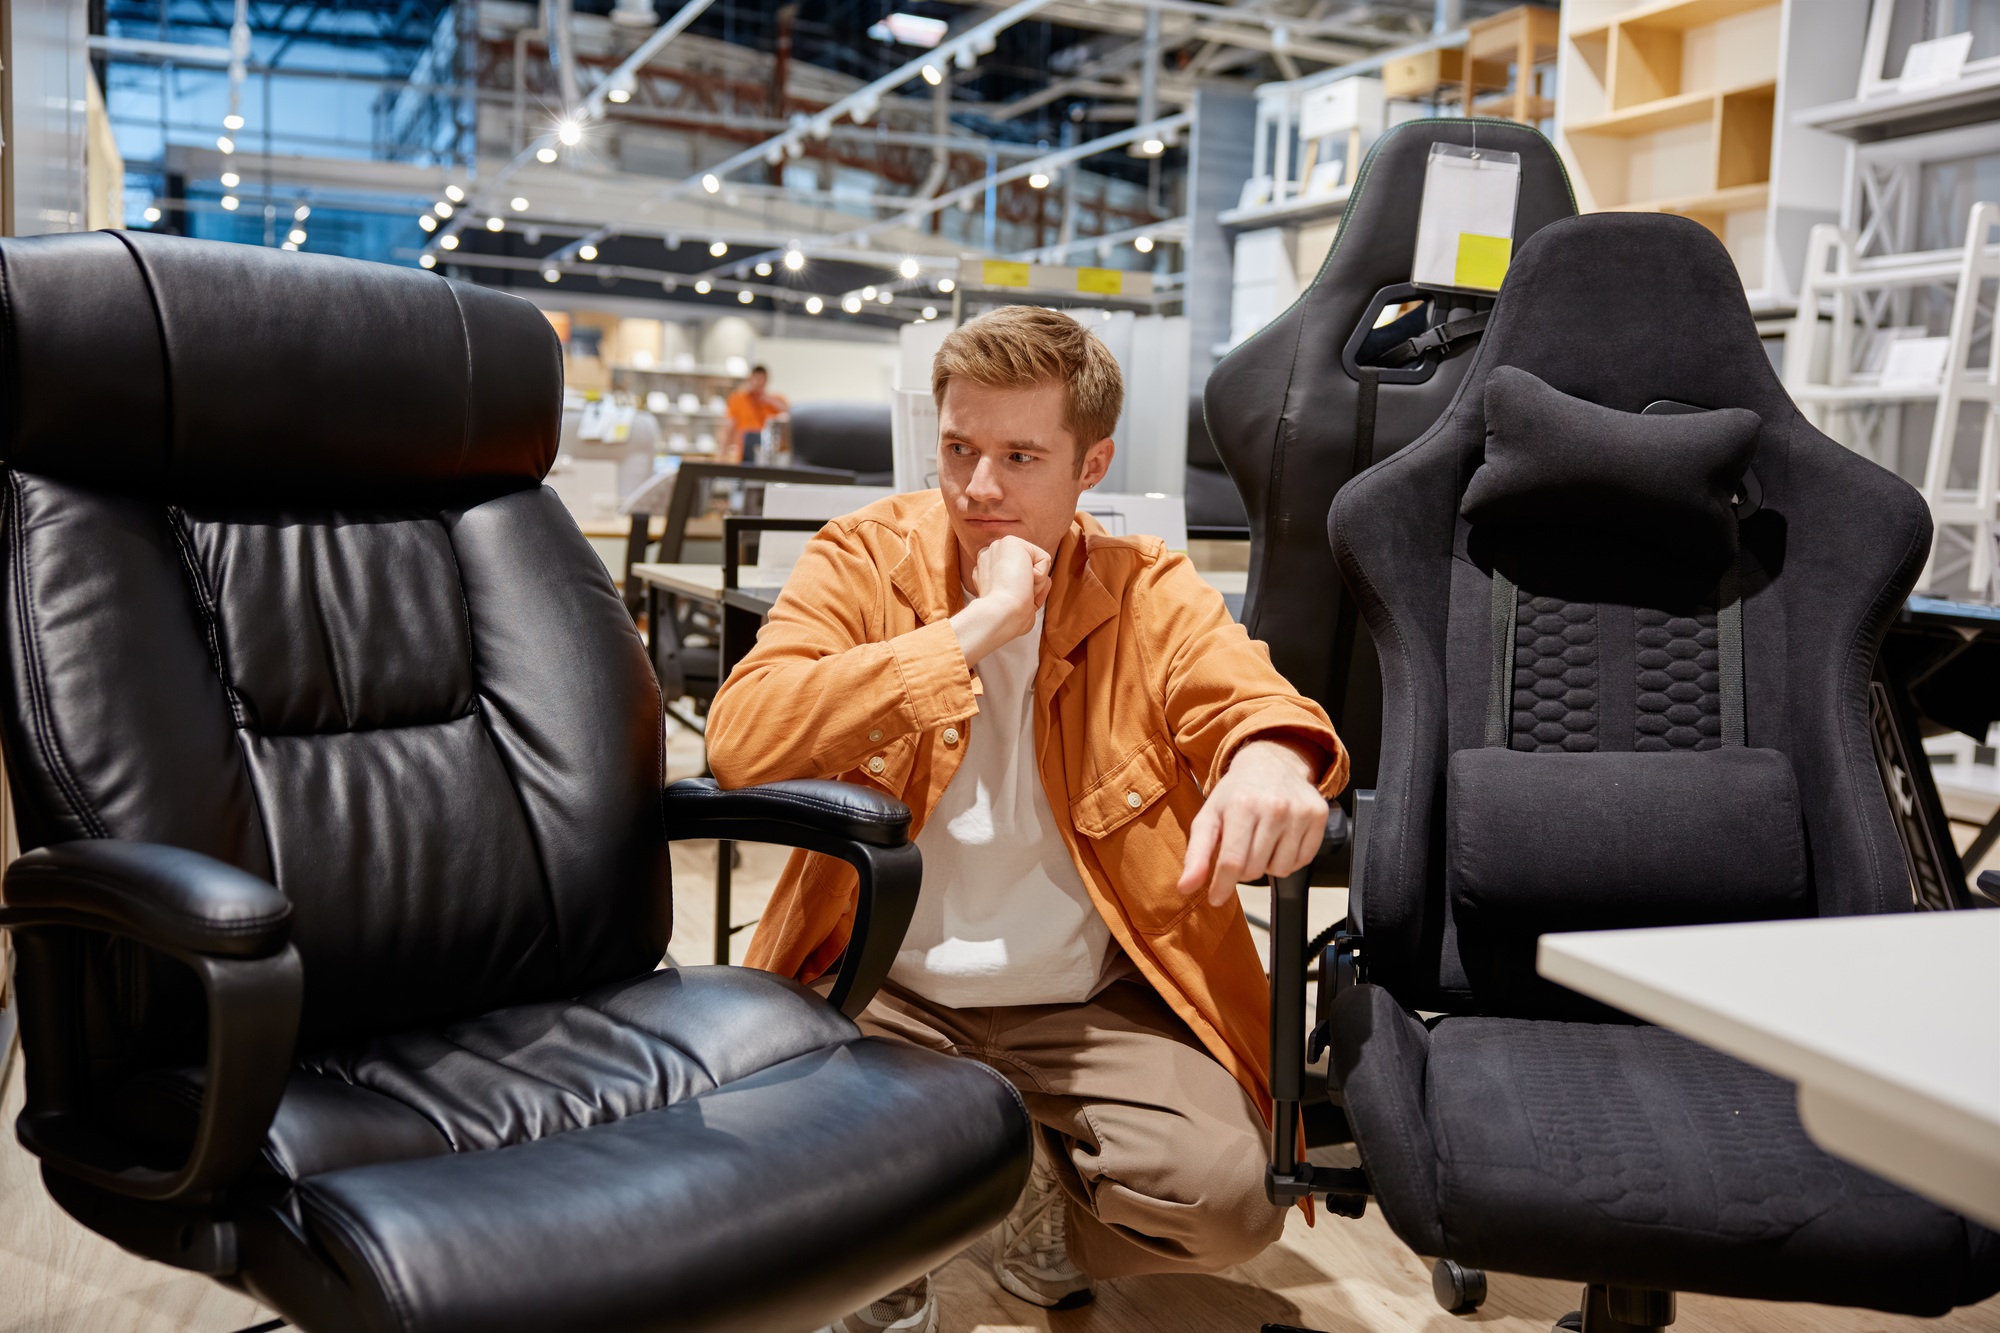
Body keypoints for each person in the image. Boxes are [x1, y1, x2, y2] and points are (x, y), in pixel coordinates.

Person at [705, 306, 1347, 1333]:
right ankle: (894, 1232)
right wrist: (968, 633)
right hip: (885, 984)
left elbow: (1246, 698)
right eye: (958, 449)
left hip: (1085, 998)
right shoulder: (866, 558)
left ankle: (1043, 1207)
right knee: (742, 1170)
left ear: (1088, 464)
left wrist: (1269, 761)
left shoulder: (1147, 589)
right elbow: (740, 735)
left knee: (1230, 1201)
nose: (979, 488)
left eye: (1019, 455)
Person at [723, 363, 788, 462]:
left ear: (766, 380)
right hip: (743, 451)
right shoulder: (738, 399)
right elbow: (729, 427)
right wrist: (723, 455)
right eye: (755, 378)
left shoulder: (776, 399)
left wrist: (768, 399)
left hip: (769, 454)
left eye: (761, 379)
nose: (757, 382)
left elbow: (789, 412)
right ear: (749, 379)